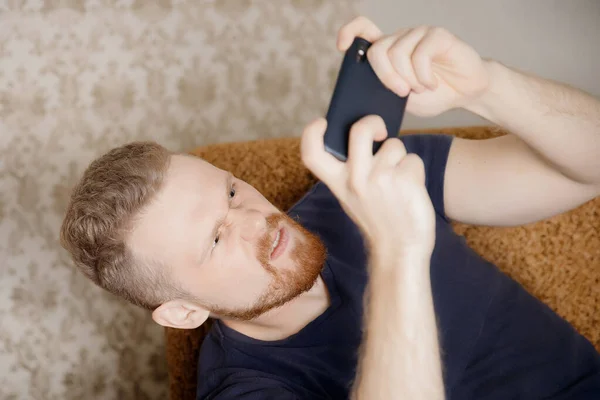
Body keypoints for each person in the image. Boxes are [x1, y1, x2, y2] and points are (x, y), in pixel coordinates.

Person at [59, 16, 600, 399]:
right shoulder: (246, 390)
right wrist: (398, 254)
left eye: (230, 192)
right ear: (184, 312)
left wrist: (487, 87)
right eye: (216, 240)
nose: (255, 220)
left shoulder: (365, 185)